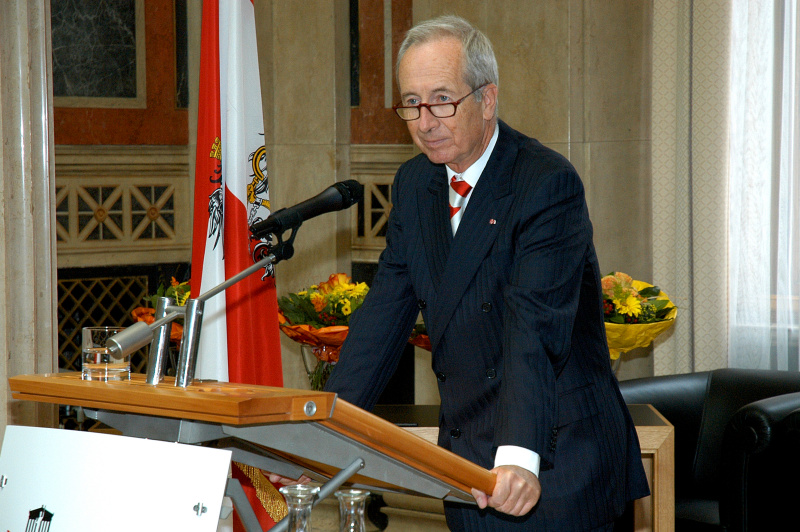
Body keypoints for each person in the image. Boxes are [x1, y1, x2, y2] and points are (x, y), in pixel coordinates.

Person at [323, 15, 649, 531]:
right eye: (411, 103)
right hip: (468, 461)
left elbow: (532, 329)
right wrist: (322, 426)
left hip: (555, 459)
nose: (425, 121)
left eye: (441, 100)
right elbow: (382, 317)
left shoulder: (544, 183)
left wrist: (518, 456)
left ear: (487, 99)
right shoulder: (415, 184)